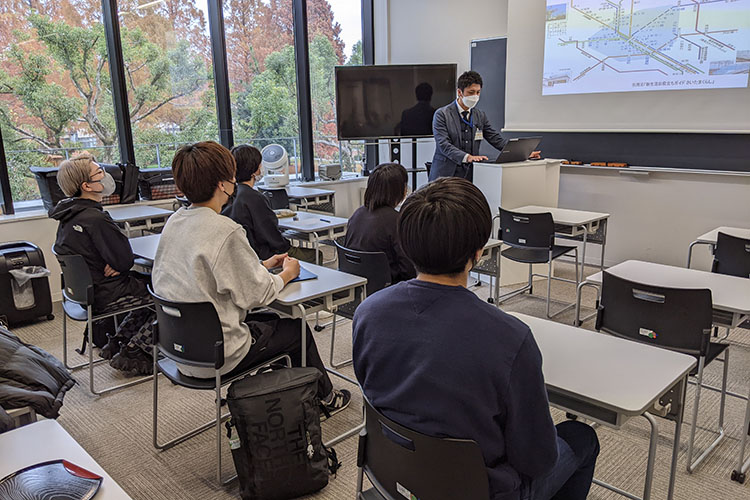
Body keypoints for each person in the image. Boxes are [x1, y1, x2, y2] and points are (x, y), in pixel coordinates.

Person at [352, 177, 599, 500]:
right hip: (480, 491)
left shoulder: (368, 313)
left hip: (394, 476)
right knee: (580, 437)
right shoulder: (511, 339)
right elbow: (537, 459)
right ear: (480, 252)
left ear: (406, 243)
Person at [152, 141, 350, 413]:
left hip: (179, 351)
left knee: (272, 323)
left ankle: (283, 391)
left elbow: (208, 273)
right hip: (219, 355)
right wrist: (287, 274)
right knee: (294, 327)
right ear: (223, 183)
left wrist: (260, 265)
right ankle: (325, 399)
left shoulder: (175, 222)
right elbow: (258, 295)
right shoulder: (225, 230)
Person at [50, 153, 153, 373]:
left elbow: (116, 260)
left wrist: (115, 262)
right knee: (162, 291)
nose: (106, 176)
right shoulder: (95, 219)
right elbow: (125, 260)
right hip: (107, 293)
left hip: (85, 292)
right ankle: (136, 350)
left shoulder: (68, 216)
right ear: (87, 185)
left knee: (147, 286)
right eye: (100, 173)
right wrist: (117, 262)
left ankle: (117, 340)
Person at [429, 71, 540, 182]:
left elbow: (496, 139)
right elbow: (443, 144)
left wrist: (523, 153)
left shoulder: (480, 115)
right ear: (459, 92)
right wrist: (467, 157)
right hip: (445, 174)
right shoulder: (442, 114)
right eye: (471, 92)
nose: (475, 96)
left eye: (478, 92)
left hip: (470, 174)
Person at [221, 144, 318, 263]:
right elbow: (272, 237)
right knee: (315, 255)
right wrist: (287, 246)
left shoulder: (227, 195)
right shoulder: (255, 198)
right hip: (265, 255)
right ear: (255, 169)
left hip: (241, 256)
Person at [344, 163, 416, 284]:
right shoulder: (396, 221)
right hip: (389, 287)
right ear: (398, 190)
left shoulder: (357, 214)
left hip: (355, 282)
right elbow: (408, 270)